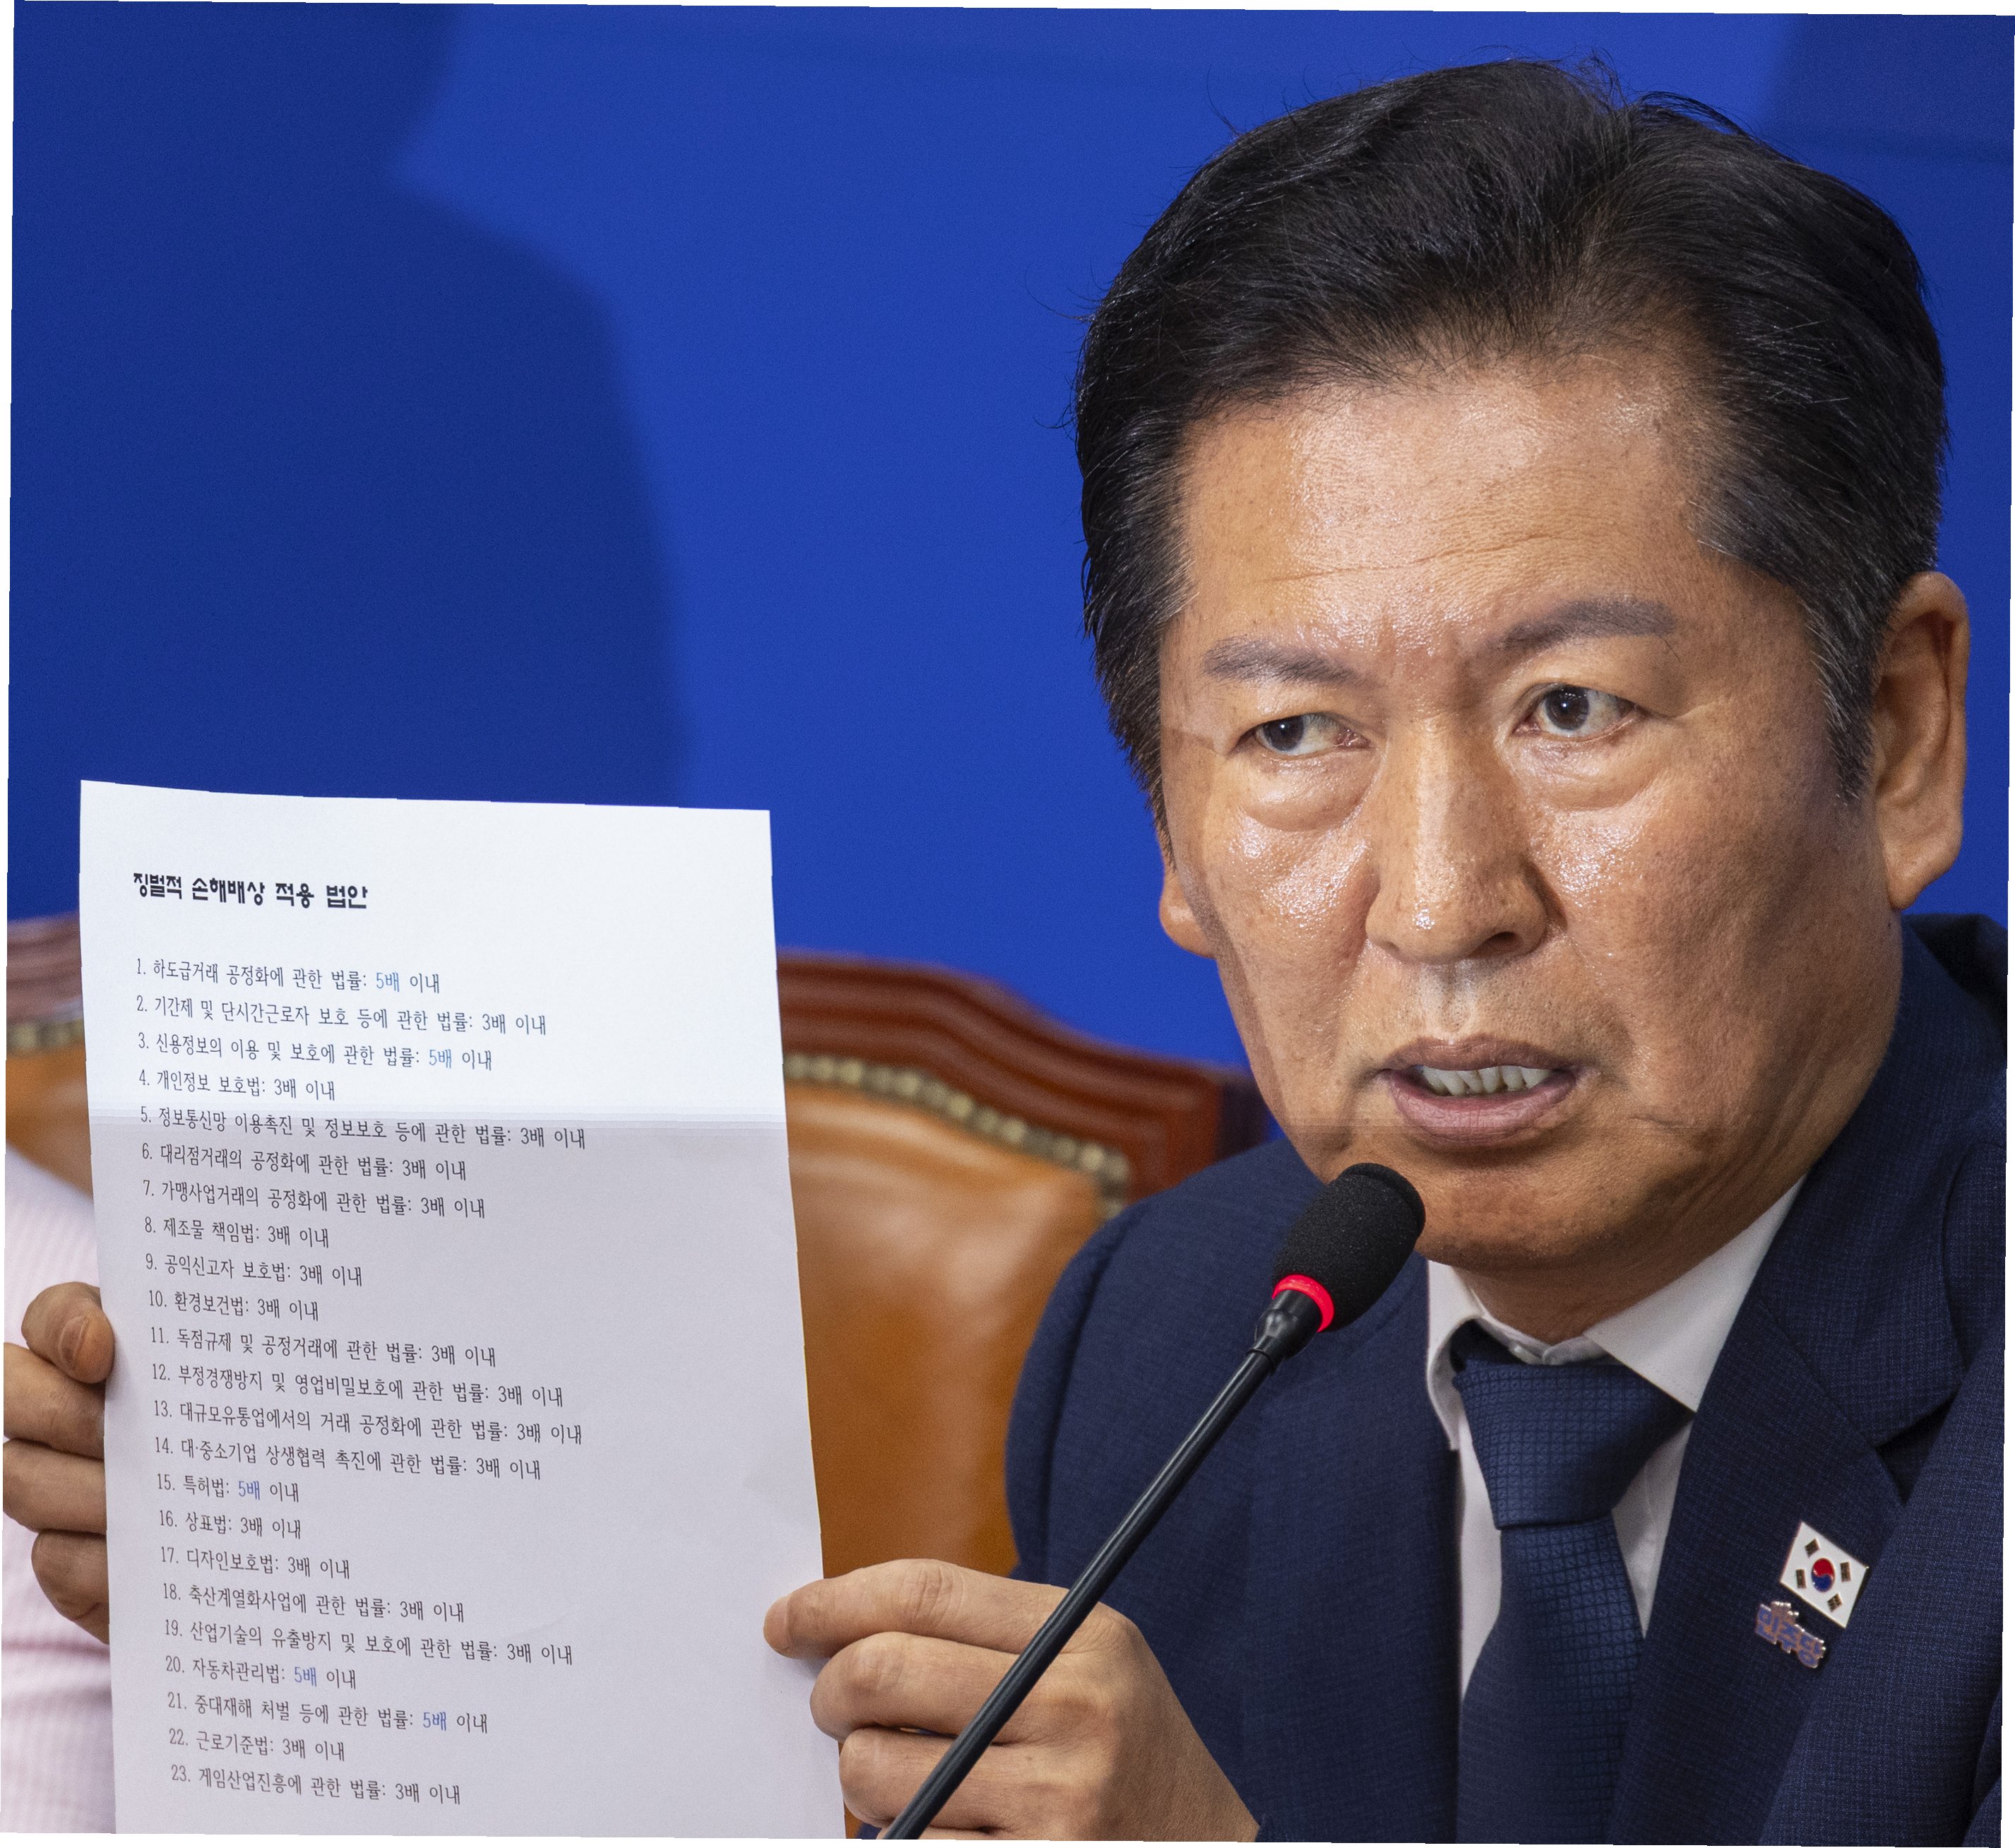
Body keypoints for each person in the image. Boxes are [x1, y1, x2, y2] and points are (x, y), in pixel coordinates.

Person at [6, 57, 2001, 1844]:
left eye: (1572, 709)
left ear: (1900, 736)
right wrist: (335, 1622)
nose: (1437, 898)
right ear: (1168, 829)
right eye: (1293, 734)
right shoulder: (1176, 1335)